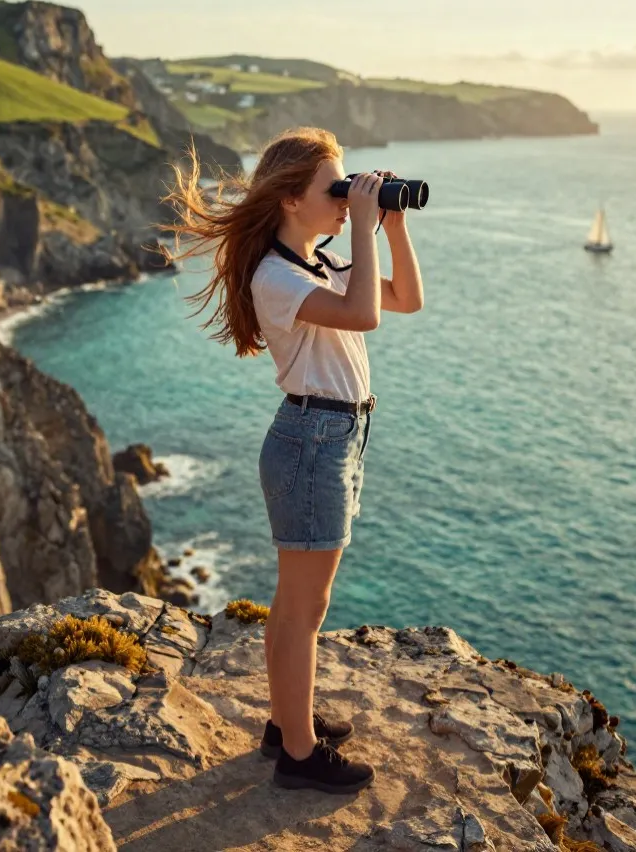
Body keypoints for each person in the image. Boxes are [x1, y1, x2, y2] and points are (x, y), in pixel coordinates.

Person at [157, 126, 424, 794]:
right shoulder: (276, 276)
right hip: (312, 441)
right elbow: (365, 316)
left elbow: (405, 299)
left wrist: (390, 226)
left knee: (296, 601)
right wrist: (361, 222)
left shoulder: (317, 263)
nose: (344, 201)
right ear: (289, 199)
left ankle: (285, 723)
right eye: (335, 190)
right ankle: (299, 758)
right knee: (306, 608)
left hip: (333, 436)